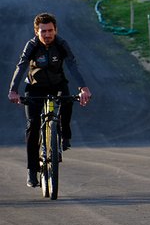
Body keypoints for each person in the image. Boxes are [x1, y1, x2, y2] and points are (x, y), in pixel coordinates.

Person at [8, 13, 92, 187]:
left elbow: (72, 66)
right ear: (36, 31)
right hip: (35, 87)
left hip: (57, 85)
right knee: (32, 126)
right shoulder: (31, 46)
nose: (47, 34)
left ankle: (65, 136)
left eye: (50, 30)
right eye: (43, 31)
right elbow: (21, 66)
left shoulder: (61, 44)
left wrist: (83, 88)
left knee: (68, 100)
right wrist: (13, 90)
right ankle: (32, 171)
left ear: (56, 30)